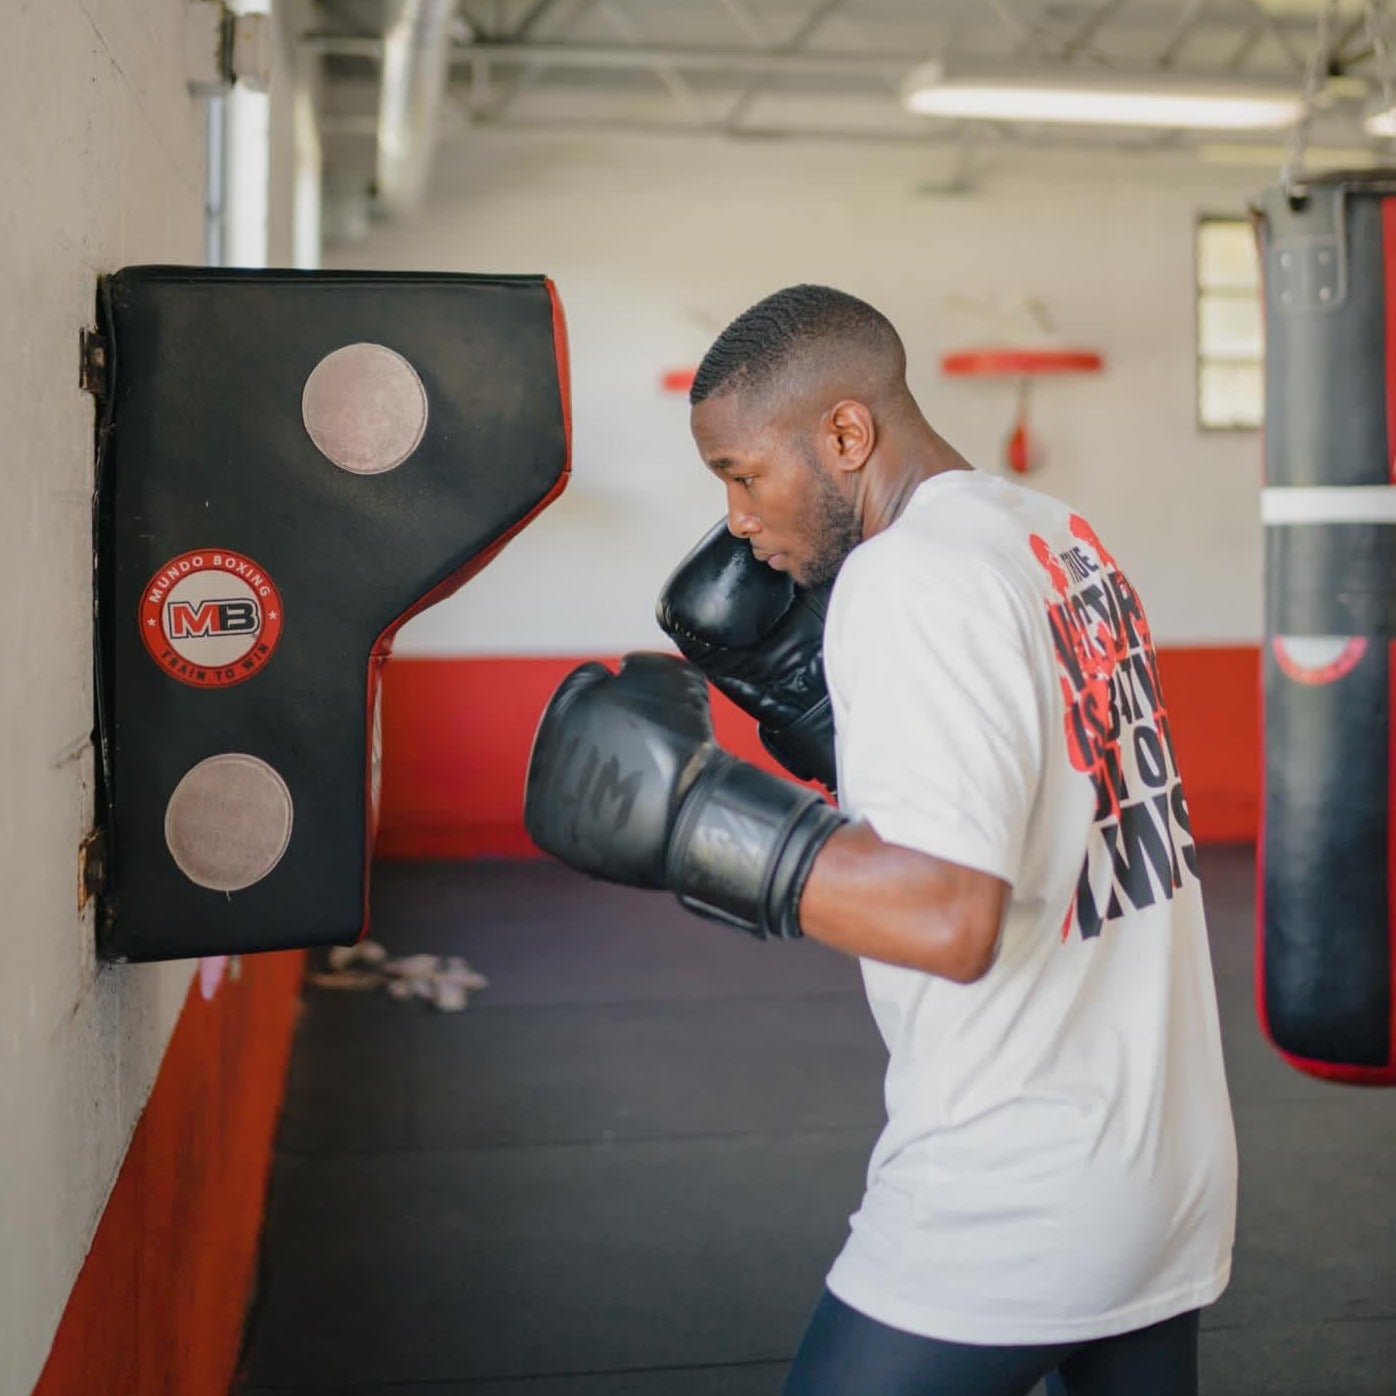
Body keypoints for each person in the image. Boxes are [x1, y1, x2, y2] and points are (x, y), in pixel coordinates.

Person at [524, 285, 1237, 1396]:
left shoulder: (906, 576)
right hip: (1163, 1165)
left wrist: (689, 820)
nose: (737, 520)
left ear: (846, 435)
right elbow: (1045, 797)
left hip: (1012, 1188)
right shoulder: (1053, 537)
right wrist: (834, 740)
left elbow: (951, 919)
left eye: (741, 475)